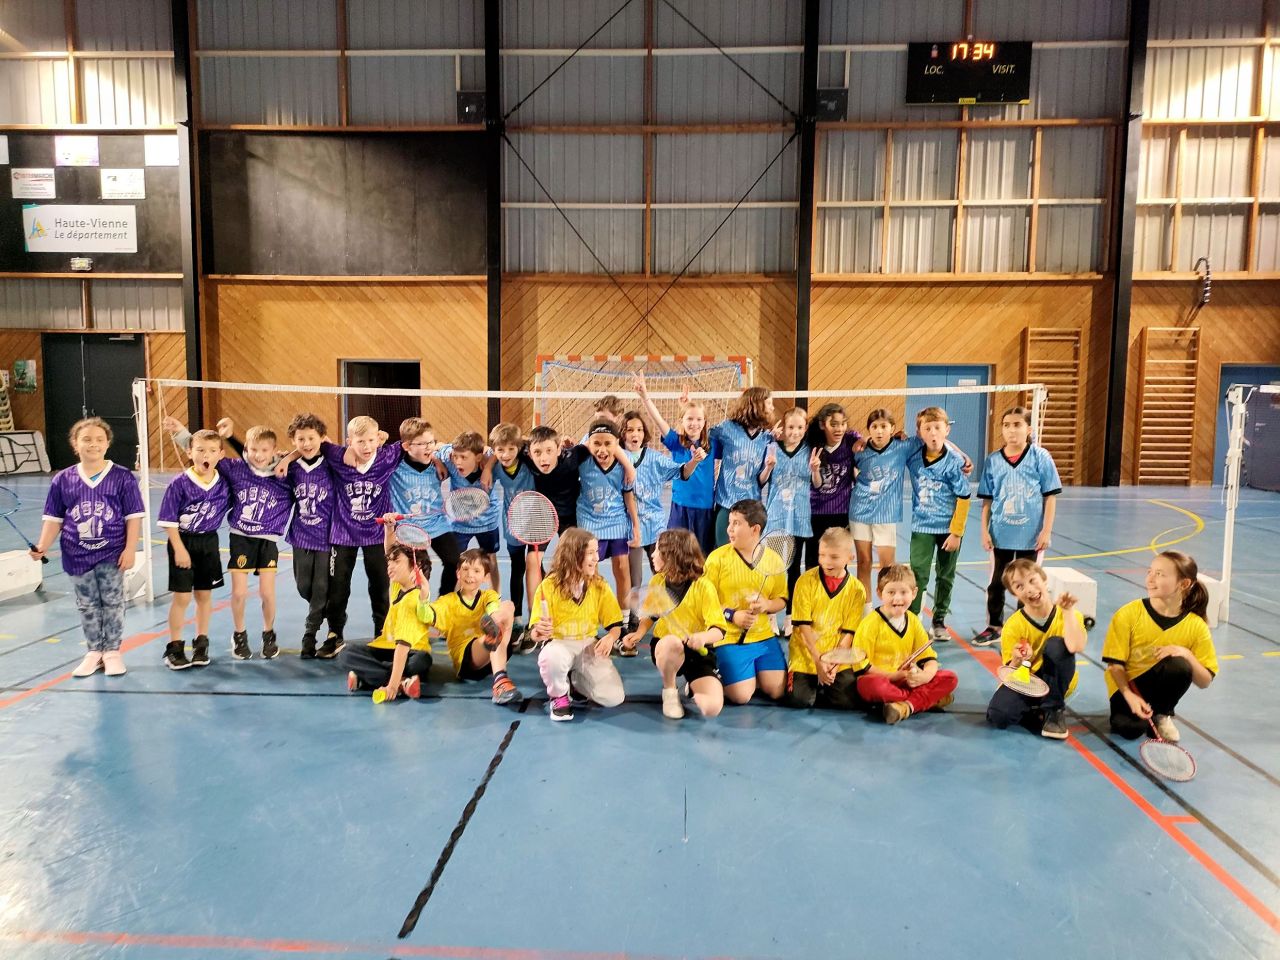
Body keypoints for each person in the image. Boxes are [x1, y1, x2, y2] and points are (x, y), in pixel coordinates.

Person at [31, 417, 144, 677]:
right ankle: (94, 652)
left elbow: (134, 517)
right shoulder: (63, 479)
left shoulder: (122, 477)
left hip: (112, 552)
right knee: (87, 604)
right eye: (86, 439)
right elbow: (53, 519)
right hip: (77, 553)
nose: (93, 444)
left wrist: (130, 549)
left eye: (99, 439)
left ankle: (112, 652)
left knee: (113, 601)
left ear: (107, 444)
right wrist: (42, 545)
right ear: (75, 444)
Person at [1103, 551, 1218, 742]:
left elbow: (1204, 681)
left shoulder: (1196, 626)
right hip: (1128, 686)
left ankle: (1161, 714)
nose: (1150, 579)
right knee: (1131, 729)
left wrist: (1186, 654)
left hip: (1161, 686)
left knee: (1180, 665)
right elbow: (1115, 666)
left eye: (1160, 574)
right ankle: (1134, 711)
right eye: (1150, 571)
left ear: (1184, 584)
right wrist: (1130, 696)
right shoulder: (1128, 614)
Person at [973, 406, 1061, 646]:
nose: (1011, 430)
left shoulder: (1040, 457)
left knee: (1028, 585)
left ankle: (1025, 628)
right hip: (1000, 533)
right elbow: (987, 501)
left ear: (1028, 429)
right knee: (996, 583)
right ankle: (994, 626)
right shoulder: (993, 460)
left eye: (1017, 425)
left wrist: (1046, 530)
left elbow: (1050, 497)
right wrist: (984, 530)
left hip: (1031, 536)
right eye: (1007, 425)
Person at [621, 528, 728, 720]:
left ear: (672, 556)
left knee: (711, 707)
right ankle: (669, 691)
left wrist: (702, 637)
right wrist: (639, 633)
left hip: (697, 649)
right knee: (672, 643)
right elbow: (652, 614)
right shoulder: (658, 581)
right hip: (667, 646)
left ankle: (692, 683)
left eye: (658, 551)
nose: (652, 555)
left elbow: (719, 630)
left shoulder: (704, 587)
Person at [215, 421, 293, 661]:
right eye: (253, 450)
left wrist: (290, 457)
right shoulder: (237, 468)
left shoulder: (284, 473)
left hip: (267, 540)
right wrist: (180, 433)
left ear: (274, 450)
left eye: (264, 450)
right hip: (241, 537)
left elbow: (312, 456)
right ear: (246, 449)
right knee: (239, 593)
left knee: (267, 593)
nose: (258, 455)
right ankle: (239, 634)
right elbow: (203, 450)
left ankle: (268, 634)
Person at [530, 527, 626, 721]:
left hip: (588, 645)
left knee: (614, 697)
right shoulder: (548, 586)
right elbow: (534, 633)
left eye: (596, 552)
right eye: (591, 553)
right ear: (573, 555)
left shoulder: (599, 586)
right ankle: (559, 695)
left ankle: (575, 680)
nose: (597, 558)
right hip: (559, 644)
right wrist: (539, 632)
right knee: (551, 657)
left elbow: (615, 625)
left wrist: (610, 637)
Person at [985, 560, 1086, 740]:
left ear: (1044, 579)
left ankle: (1054, 710)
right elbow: (1010, 673)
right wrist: (1017, 660)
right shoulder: (1013, 625)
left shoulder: (1069, 614)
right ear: (1014, 594)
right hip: (1027, 681)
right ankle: (1037, 710)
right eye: (1019, 586)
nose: (1029, 589)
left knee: (1057, 645)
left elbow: (1075, 646)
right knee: (999, 715)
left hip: (1056, 680)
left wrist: (1068, 612)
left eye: (1032, 580)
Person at [157, 429, 231, 670]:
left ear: (220, 454)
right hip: (183, 541)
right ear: (189, 452)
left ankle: (201, 644)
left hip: (209, 542)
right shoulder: (179, 483)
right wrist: (179, 549)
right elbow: (168, 521)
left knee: (204, 596)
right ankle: (175, 647)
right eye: (200, 450)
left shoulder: (224, 483)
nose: (205, 455)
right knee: (182, 597)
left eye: (211, 450)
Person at [703, 499, 788, 704]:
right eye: (730, 523)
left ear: (755, 529)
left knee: (777, 691)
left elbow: (781, 599)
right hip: (729, 637)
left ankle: (748, 674)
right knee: (741, 696)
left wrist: (767, 605)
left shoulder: (773, 560)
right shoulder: (716, 559)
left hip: (763, 637)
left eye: (736, 523)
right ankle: (707, 675)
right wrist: (733, 615)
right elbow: (705, 604)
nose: (729, 529)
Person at [852, 565, 958, 724]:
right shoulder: (870, 623)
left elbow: (929, 659)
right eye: (891, 592)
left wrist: (925, 676)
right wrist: (894, 676)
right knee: (871, 686)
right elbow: (862, 667)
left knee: (950, 677)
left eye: (903, 592)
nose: (897, 599)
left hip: (908, 681)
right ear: (880, 593)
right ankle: (926, 700)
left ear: (914, 593)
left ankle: (904, 706)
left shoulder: (913, 621)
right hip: (882, 679)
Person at [905, 406, 971, 642]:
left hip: (948, 529)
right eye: (927, 428)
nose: (933, 433)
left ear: (947, 430)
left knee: (945, 575)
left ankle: (939, 620)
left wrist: (956, 533)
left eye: (937, 428)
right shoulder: (913, 455)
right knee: (918, 574)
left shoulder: (954, 462)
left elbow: (964, 497)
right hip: (922, 527)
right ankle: (913, 619)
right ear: (919, 432)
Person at [619, 409, 686, 638]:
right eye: (630, 430)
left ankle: (671, 613)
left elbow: (682, 471)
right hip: (630, 526)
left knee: (664, 572)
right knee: (634, 577)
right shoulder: (618, 458)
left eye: (639, 430)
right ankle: (633, 618)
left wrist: (694, 460)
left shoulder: (655, 458)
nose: (635, 434)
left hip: (655, 525)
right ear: (622, 433)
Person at [339, 544, 435, 701]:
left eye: (396, 562)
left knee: (420, 662)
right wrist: (389, 531)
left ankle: (369, 676)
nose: (390, 565)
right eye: (389, 561)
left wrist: (391, 686)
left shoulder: (412, 600)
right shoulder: (399, 586)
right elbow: (390, 547)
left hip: (411, 652)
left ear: (415, 566)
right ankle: (404, 681)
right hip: (385, 648)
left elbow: (402, 647)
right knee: (346, 653)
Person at [784, 526, 865, 710]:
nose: (827, 561)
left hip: (836, 656)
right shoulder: (805, 582)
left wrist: (834, 663)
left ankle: (823, 685)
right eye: (822, 555)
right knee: (799, 700)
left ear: (850, 557)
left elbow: (848, 633)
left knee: (848, 702)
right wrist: (818, 661)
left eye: (834, 557)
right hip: (806, 655)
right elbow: (803, 628)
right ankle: (810, 683)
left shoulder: (857, 590)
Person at [429, 549, 521, 704]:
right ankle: (500, 681)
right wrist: (422, 594)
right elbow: (429, 614)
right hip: (466, 661)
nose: (470, 575)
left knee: (508, 606)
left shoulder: (488, 596)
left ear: (486, 577)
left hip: (492, 657)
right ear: (458, 573)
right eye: (465, 569)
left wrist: (495, 618)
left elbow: (493, 607)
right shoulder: (447, 601)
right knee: (494, 633)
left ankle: (495, 632)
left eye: (476, 571)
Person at [573, 419, 640, 628]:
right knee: (588, 571)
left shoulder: (624, 465)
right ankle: (588, 618)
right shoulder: (582, 461)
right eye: (596, 444)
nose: (602, 450)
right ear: (588, 443)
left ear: (617, 444)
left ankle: (625, 620)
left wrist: (636, 526)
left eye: (607, 444)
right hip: (590, 522)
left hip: (616, 520)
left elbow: (628, 496)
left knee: (622, 567)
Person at [635, 375, 713, 553]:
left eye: (699, 419)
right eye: (689, 419)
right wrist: (645, 397)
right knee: (676, 553)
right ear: (682, 421)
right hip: (680, 506)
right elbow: (658, 420)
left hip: (705, 509)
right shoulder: (677, 443)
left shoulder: (713, 443)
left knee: (701, 556)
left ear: (705, 422)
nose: (694, 423)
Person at [849, 408, 913, 609]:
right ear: (868, 429)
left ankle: (887, 608)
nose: (879, 431)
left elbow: (934, 441)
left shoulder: (902, 447)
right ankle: (865, 612)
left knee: (887, 567)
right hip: (860, 510)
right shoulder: (860, 450)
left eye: (884, 426)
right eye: (874, 426)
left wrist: (963, 457)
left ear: (892, 428)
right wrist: (859, 442)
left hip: (886, 514)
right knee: (864, 563)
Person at [390, 417, 462, 595]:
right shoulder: (394, 468)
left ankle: (442, 603)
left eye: (431, 442)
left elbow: (452, 448)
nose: (428, 447)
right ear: (406, 446)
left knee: (455, 562)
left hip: (437, 523)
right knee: (421, 570)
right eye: (422, 444)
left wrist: (437, 456)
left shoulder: (439, 463)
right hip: (409, 528)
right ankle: (416, 605)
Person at [283, 413, 335, 658]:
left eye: (311, 438)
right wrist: (288, 457)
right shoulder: (292, 467)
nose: (306, 443)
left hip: (327, 537)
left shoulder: (331, 463)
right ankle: (324, 610)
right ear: (293, 441)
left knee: (321, 586)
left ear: (322, 437)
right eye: (301, 439)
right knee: (304, 586)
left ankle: (310, 634)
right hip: (301, 535)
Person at [709, 387, 775, 547]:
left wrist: (768, 468)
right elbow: (702, 437)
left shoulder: (767, 438)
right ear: (756, 405)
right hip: (727, 503)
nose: (772, 408)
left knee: (747, 553)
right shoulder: (726, 428)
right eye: (769, 404)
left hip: (751, 507)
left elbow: (760, 481)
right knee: (723, 552)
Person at [763, 406, 814, 601]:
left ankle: (791, 612)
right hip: (776, 515)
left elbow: (817, 483)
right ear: (784, 427)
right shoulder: (772, 448)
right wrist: (768, 468)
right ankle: (770, 610)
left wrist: (815, 470)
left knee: (794, 568)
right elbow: (762, 480)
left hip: (799, 517)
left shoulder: (810, 451)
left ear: (805, 428)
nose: (795, 432)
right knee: (773, 565)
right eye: (791, 427)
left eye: (800, 427)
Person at [489, 422, 536, 625]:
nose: (506, 454)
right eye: (500, 450)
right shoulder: (497, 469)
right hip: (513, 526)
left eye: (511, 449)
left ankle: (536, 615)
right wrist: (488, 468)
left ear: (519, 447)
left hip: (535, 523)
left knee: (536, 568)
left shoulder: (529, 462)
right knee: (517, 569)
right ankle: (517, 619)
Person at [805, 402, 860, 571]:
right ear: (823, 425)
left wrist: (897, 437)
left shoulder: (850, 441)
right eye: (834, 424)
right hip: (816, 512)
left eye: (843, 424)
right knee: (814, 562)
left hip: (841, 512)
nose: (839, 429)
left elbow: (869, 442)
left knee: (839, 561)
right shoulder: (811, 444)